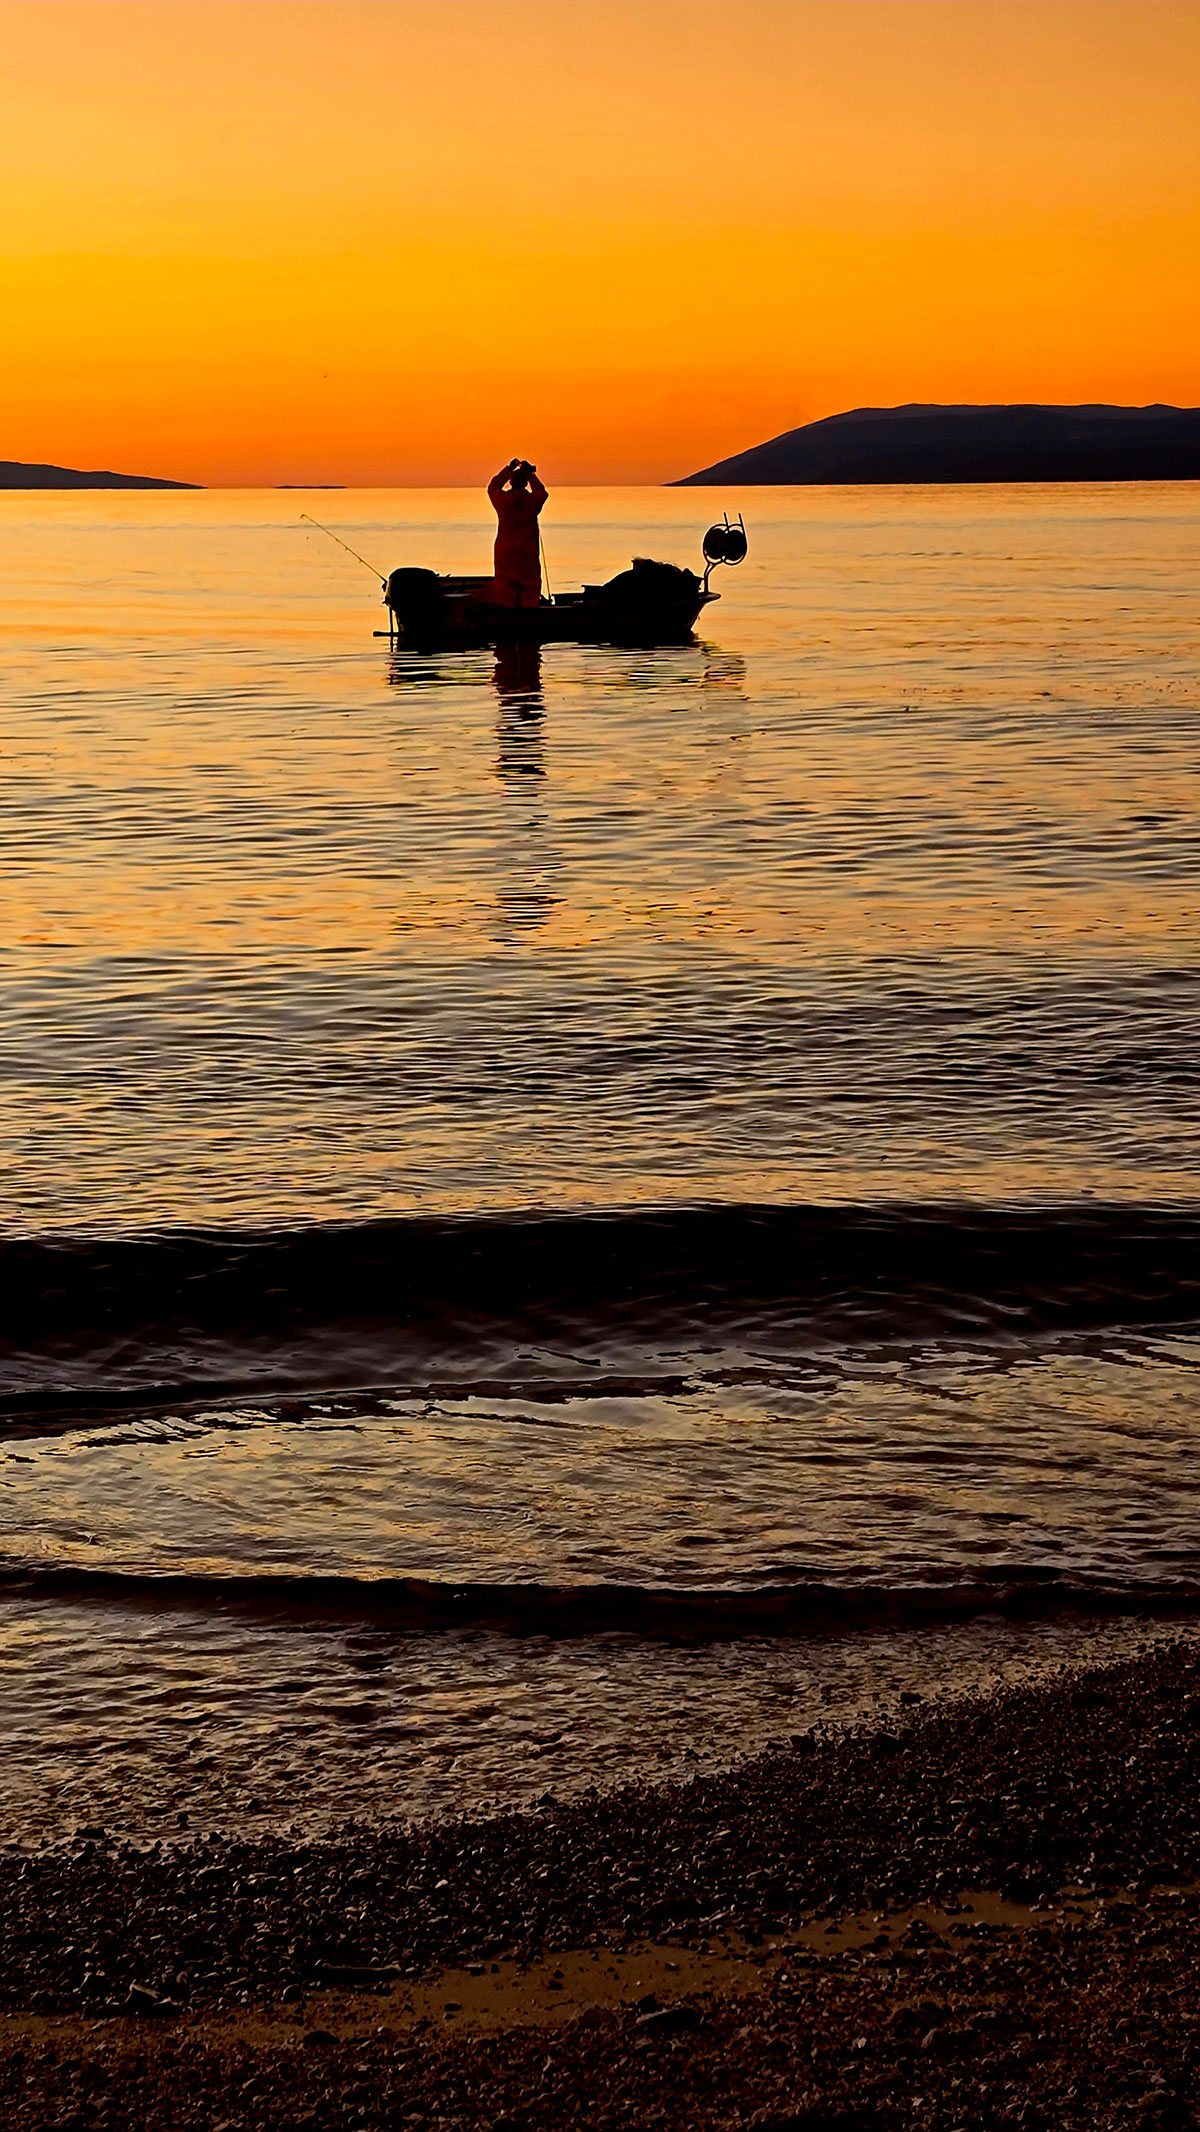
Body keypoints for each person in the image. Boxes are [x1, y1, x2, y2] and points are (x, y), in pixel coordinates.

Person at [487, 459, 548, 608]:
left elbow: (493, 487)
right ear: (526, 483)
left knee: (504, 596)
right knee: (530, 596)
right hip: (528, 557)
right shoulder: (532, 502)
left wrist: (509, 469)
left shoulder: (503, 502)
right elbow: (542, 493)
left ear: (510, 482)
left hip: (505, 556)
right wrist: (530, 474)